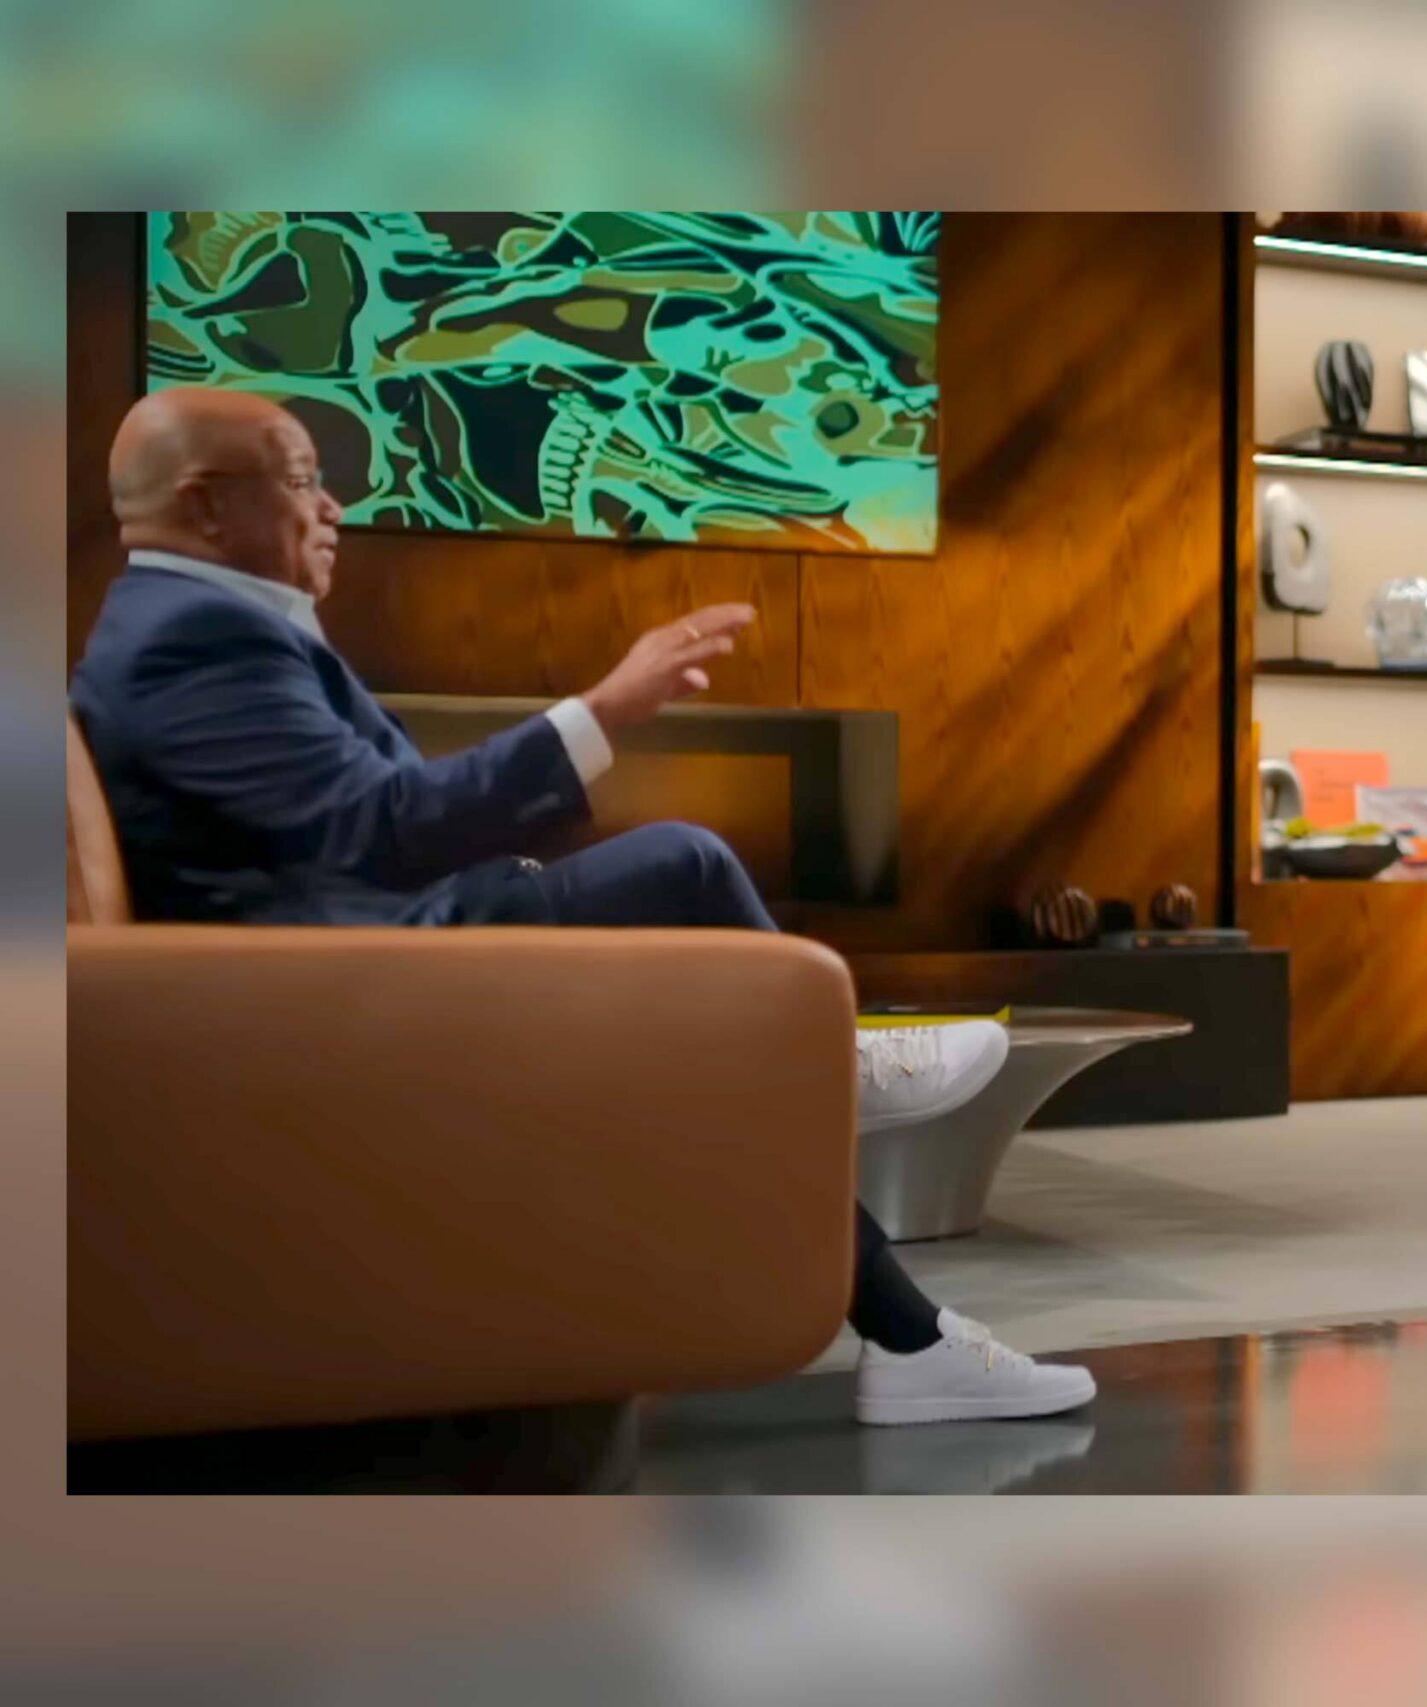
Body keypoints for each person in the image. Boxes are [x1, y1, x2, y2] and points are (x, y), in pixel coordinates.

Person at [72, 386, 1093, 1427]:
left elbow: (359, 819)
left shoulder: (192, 624)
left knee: (717, 1059)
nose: (332, 507)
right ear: (205, 505)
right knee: (683, 871)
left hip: (355, 958)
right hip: (351, 990)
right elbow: (381, 826)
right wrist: (602, 711)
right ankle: (842, 1081)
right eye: (301, 480)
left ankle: (907, 1321)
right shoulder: (194, 639)